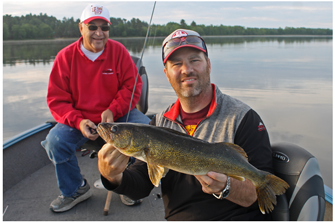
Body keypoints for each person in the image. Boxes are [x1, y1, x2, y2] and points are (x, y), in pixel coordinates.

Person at [98, 29, 273, 220]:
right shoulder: (158, 123)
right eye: (176, 63)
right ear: (166, 73)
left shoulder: (243, 118)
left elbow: (258, 195)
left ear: (208, 65)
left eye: (194, 60)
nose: (186, 69)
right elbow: (141, 186)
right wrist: (112, 177)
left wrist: (227, 186)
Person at [41, 3, 150, 213]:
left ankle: (131, 184)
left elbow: (132, 85)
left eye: (104, 27)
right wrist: (78, 121)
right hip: (80, 121)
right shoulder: (64, 57)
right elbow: (57, 100)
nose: (99, 33)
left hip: (118, 116)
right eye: (93, 27)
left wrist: (113, 109)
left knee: (148, 130)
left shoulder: (118, 51)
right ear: (81, 28)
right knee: (55, 142)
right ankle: (75, 190)